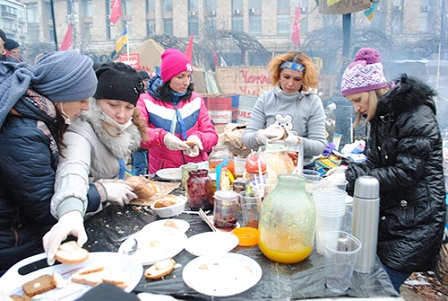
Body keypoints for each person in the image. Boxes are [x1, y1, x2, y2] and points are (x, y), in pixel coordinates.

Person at [327, 47, 446, 293]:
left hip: (416, 222)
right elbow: (375, 162)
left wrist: (351, 177)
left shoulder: (415, 116)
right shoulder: (382, 117)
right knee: (369, 283)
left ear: (372, 90)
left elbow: (406, 173)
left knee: (379, 291)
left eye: (358, 100)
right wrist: (345, 171)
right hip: (392, 217)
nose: (357, 108)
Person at [0, 50, 98, 275]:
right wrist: (100, 192)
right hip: (13, 246)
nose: (86, 108)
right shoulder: (22, 132)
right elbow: (44, 207)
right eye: (82, 99)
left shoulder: (40, 119)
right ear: (60, 95)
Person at [43, 62, 147, 265]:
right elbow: (72, 168)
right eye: (113, 105)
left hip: (105, 219)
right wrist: (70, 213)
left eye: (128, 107)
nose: (121, 114)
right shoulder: (81, 128)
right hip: (82, 227)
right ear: (96, 101)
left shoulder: (121, 130)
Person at [137, 48, 218, 173]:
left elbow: (212, 135)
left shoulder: (196, 100)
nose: (186, 82)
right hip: (164, 173)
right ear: (167, 78)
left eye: (188, 76)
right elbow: (138, 135)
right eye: (180, 77)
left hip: (197, 171)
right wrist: (163, 138)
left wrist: (199, 139)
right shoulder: (146, 101)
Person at [241, 50, 327, 167]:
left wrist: (296, 141)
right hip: (268, 166)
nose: (290, 83)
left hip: (302, 167)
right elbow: (247, 139)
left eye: (297, 79)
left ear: (304, 79)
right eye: (286, 77)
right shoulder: (265, 99)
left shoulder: (313, 102)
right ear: (278, 75)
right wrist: (260, 137)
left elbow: (319, 146)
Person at [132, 70, 151, 175]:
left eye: (148, 80)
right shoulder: (134, 95)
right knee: (139, 167)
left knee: (144, 166)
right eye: (144, 80)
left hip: (146, 136)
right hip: (137, 136)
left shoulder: (149, 96)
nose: (146, 83)